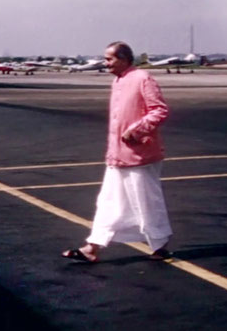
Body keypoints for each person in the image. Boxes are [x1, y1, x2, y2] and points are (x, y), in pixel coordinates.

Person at [62, 41, 173, 262]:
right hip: (117, 155)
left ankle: (160, 245)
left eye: (109, 59)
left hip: (140, 154)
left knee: (146, 201)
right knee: (108, 201)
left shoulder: (143, 78)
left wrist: (136, 130)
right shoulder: (117, 81)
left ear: (123, 59)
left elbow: (159, 110)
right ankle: (91, 248)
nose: (105, 63)